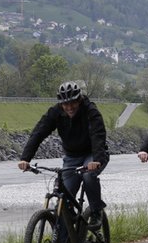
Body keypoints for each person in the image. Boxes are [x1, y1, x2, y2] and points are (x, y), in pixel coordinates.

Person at [19, 81, 109, 229]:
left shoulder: (90, 110)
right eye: (65, 104)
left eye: (73, 103)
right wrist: (25, 158)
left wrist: (97, 160)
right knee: (63, 199)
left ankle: (95, 211)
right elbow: (38, 133)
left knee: (88, 175)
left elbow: (97, 135)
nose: (69, 107)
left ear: (79, 100)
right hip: (72, 157)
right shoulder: (56, 112)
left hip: (93, 154)